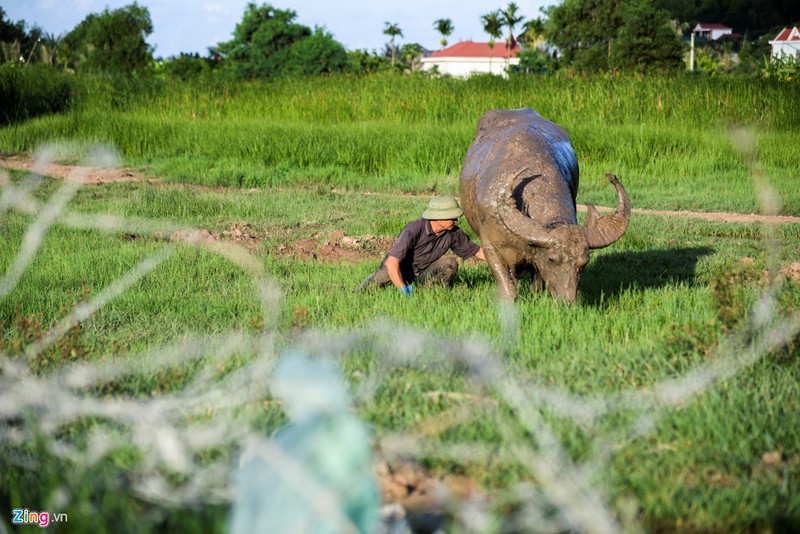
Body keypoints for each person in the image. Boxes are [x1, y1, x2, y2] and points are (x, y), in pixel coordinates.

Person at [356, 195, 485, 294]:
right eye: (452, 217)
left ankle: (431, 294)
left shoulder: (453, 233)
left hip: (422, 274)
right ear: (439, 217)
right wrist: (403, 290)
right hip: (398, 270)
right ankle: (359, 292)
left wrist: (503, 263)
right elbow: (391, 263)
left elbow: (479, 252)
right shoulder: (413, 230)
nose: (456, 220)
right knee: (368, 289)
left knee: (449, 263)